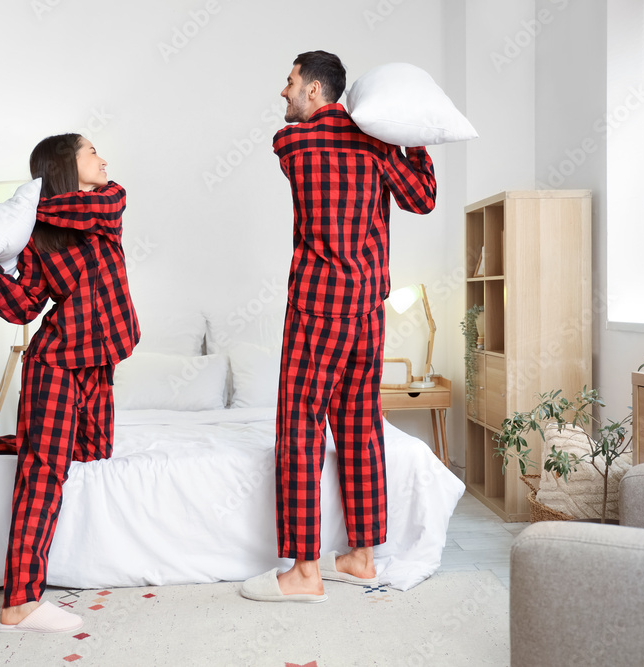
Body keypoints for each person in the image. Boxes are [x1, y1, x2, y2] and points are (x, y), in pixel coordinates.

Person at [240, 51, 437, 603]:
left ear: (316, 91)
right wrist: (404, 136)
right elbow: (423, 198)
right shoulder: (377, 144)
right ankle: (361, 556)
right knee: (360, 427)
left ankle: (304, 572)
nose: (284, 93)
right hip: (368, 311)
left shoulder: (293, 144)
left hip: (317, 309)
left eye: (291, 82)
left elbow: (293, 138)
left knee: (300, 429)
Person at [0, 133, 140, 632]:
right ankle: (20, 602)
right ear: (65, 164)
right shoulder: (36, 237)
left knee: (94, 450)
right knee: (44, 473)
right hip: (56, 363)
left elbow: (70, 211)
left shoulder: (107, 201)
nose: (103, 158)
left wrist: (33, 207)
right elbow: (24, 306)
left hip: (99, 359)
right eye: (92, 152)